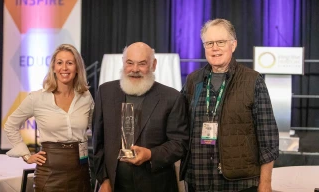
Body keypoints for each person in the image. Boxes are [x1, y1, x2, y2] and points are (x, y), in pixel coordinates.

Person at [180, 19, 279, 192]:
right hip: (198, 179)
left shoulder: (253, 81)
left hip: (239, 183)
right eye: (209, 43)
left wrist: (265, 183)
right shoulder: (192, 80)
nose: (215, 48)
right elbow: (180, 123)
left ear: (233, 45)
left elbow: (268, 138)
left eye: (221, 42)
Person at [92, 42, 189, 192]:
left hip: (156, 185)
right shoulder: (105, 92)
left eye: (142, 64)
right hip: (113, 186)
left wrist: (150, 154)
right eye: (129, 63)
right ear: (123, 63)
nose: (135, 69)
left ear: (153, 65)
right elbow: (98, 142)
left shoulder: (172, 97)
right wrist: (104, 180)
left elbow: (180, 143)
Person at [4, 44, 94, 192]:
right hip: (49, 175)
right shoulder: (37, 98)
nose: (64, 68)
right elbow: (10, 125)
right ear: (53, 67)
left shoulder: (86, 97)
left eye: (69, 63)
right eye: (59, 63)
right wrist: (26, 155)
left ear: (77, 68)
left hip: (80, 173)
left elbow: (94, 128)